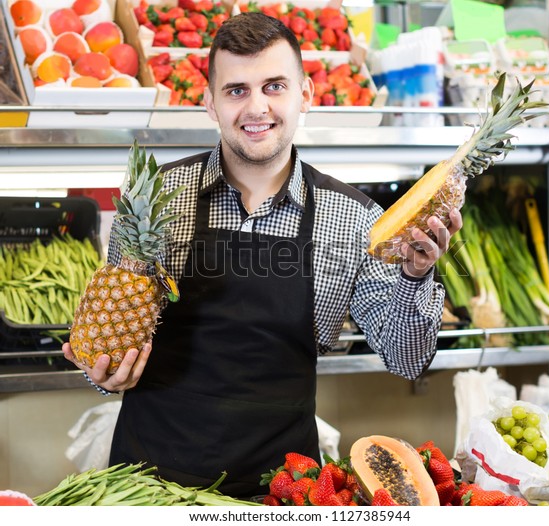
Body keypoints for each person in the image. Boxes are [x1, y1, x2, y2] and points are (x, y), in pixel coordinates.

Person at [62, 12, 462, 498]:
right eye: (236, 90)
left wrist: (416, 277)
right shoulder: (156, 198)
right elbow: (115, 348)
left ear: (305, 95)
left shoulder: (355, 218)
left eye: (274, 86)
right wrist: (106, 373)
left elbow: (408, 358)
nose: (257, 107)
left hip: (282, 490)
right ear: (209, 102)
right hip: (150, 485)